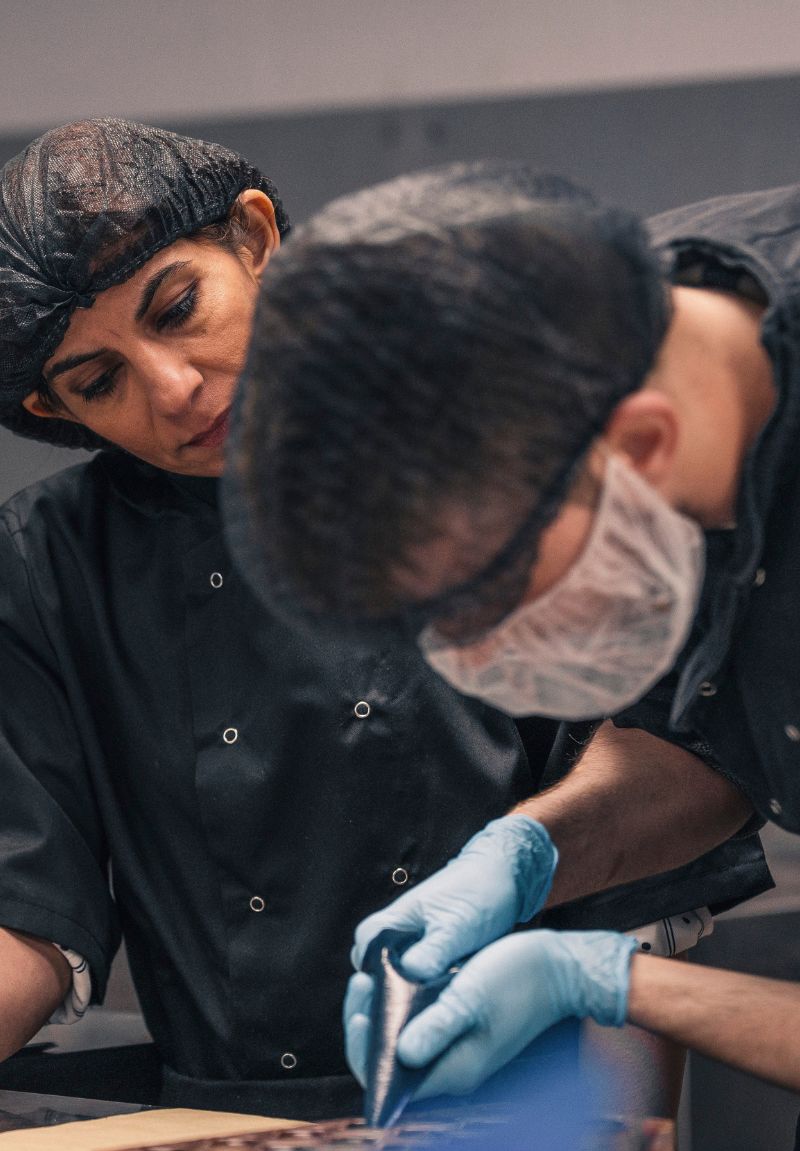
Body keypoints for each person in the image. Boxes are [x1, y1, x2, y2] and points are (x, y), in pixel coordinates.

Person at [0, 124, 746, 1121]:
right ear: (54, 408)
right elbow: (29, 912)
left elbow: (639, 894)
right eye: (99, 382)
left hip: (524, 1111)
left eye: (179, 309)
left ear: (255, 237)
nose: (173, 389)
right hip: (224, 1131)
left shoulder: (514, 443)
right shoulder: (50, 558)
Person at [227, 163, 800, 1101]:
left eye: (495, 595)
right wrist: (529, 854)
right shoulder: (595, 336)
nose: (481, 660)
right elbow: (709, 739)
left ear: (645, 445)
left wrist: (614, 983)